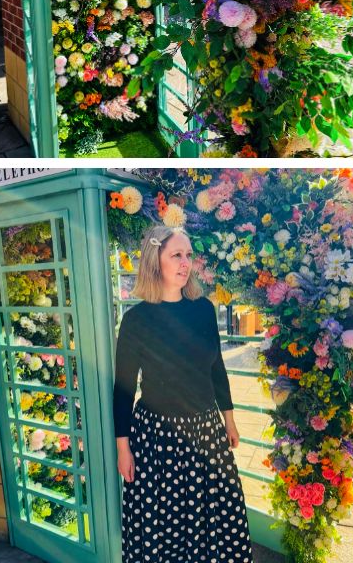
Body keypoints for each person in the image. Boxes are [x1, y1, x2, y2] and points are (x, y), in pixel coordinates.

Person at [113, 225, 254, 563]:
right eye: (176, 254)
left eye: (188, 255)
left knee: (220, 524)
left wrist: (229, 420)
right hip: (156, 441)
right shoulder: (136, 321)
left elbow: (216, 367)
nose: (185, 262)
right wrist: (123, 449)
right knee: (162, 532)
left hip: (207, 433)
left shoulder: (203, 309)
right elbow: (123, 391)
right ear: (154, 260)